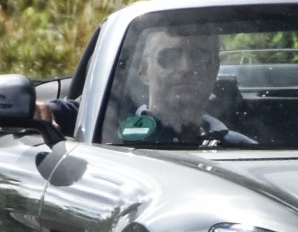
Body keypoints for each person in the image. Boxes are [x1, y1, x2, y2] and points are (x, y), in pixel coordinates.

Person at [36, 27, 255, 145]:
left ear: (215, 70)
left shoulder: (241, 148)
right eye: (169, 56)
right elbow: (39, 110)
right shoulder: (105, 122)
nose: (186, 68)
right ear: (144, 70)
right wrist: (35, 112)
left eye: (199, 57)